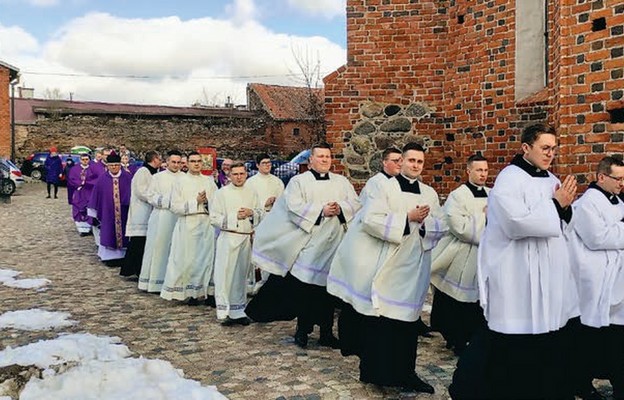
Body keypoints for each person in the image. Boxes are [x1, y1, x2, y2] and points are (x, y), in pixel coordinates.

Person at [450, 123, 580, 399]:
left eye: (554, 149)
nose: (550, 154)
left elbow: (564, 225)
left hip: (546, 275)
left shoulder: (551, 180)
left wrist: (566, 210)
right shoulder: (509, 180)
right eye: (545, 148)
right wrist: (557, 205)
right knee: (512, 340)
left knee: (546, 339)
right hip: (517, 274)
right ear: (525, 148)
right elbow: (515, 224)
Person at [327, 142, 446, 393]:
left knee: (407, 323)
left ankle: (406, 373)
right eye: (411, 160)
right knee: (382, 323)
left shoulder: (429, 193)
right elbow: (371, 220)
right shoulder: (384, 188)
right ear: (401, 162)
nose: (415, 165)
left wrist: (425, 224)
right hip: (388, 264)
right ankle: (376, 373)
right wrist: (407, 219)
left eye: (419, 162)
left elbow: (441, 225)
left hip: (414, 266)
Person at [251, 143, 360, 347]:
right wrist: (321, 211)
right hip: (310, 244)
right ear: (310, 160)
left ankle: (326, 333)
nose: (325, 160)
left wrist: (341, 208)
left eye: (327, 156)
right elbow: (293, 207)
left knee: (329, 291)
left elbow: (355, 203)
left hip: (334, 243)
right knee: (307, 290)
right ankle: (302, 331)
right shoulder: (299, 181)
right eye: (320, 156)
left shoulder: (342, 181)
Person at [566, 156, 624, 399]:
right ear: (601, 177)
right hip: (596, 281)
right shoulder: (587, 204)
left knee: (617, 339)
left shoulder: (619, 202)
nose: (622, 183)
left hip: (617, 278)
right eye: (618, 178)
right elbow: (597, 238)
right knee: (591, 337)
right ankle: (581, 382)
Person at [429, 154, 489, 355]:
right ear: (469, 171)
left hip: (485, 255)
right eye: (479, 170)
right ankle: (456, 338)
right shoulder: (458, 196)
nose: (483, 174)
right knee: (457, 300)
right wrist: (485, 217)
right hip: (461, 254)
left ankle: (476, 337)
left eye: (485, 170)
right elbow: (460, 227)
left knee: (479, 300)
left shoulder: (493, 194)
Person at [161, 152, 218, 304]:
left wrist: (207, 203)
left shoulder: (209, 181)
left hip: (206, 222)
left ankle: (208, 292)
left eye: (199, 161)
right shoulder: (180, 182)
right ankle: (191, 292)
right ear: (187, 163)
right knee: (189, 259)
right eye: (193, 161)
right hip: (188, 223)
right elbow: (175, 207)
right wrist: (196, 201)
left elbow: (218, 203)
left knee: (207, 258)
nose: (197, 164)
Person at [210, 162, 262, 325]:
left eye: (242, 174)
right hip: (229, 237)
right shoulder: (222, 194)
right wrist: (234, 217)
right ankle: (224, 311)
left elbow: (261, 213)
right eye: (235, 174)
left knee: (240, 275)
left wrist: (251, 213)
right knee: (225, 275)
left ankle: (238, 311)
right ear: (229, 176)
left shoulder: (252, 193)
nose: (239, 177)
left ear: (246, 174)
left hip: (246, 238)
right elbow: (214, 218)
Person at [138, 150, 183, 293]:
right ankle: (155, 281)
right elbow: (150, 196)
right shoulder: (157, 178)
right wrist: (168, 202)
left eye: (178, 162)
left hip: (179, 218)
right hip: (161, 216)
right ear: (167, 162)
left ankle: (174, 282)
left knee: (177, 249)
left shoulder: (185, 178)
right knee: (158, 248)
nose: (176, 165)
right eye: (173, 162)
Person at [245, 153, 285, 291]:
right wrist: (264, 204)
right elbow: (249, 203)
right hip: (259, 221)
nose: (267, 165)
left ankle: (269, 282)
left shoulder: (277, 181)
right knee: (258, 252)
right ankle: (256, 282)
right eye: (264, 163)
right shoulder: (251, 182)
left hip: (274, 220)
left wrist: (276, 203)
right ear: (257, 165)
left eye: (269, 163)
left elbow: (283, 202)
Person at [120, 151, 161, 279]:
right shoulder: (143, 172)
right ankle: (133, 269)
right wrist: (156, 198)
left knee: (143, 244)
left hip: (149, 211)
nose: (160, 161)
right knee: (138, 243)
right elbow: (141, 191)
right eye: (159, 159)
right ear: (154, 160)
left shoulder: (153, 172)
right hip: (141, 213)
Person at [87, 151, 132, 266]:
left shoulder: (127, 177)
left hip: (124, 212)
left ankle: (123, 257)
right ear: (107, 166)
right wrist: (93, 213)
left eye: (116, 165)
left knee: (124, 233)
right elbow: (95, 195)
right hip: (107, 213)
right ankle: (108, 257)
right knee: (108, 231)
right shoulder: (102, 179)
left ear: (120, 165)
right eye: (111, 165)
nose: (114, 167)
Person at [68, 154, 98, 235]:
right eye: (83, 159)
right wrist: (80, 183)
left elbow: (96, 178)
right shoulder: (75, 169)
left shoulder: (94, 168)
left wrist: (87, 183)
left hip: (89, 191)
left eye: (86, 159)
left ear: (89, 160)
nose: (85, 161)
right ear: (80, 160)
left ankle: (90, 227)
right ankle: (82, 230)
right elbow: (71, 179)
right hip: (79, 192)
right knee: (79, 208)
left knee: (89, 209)